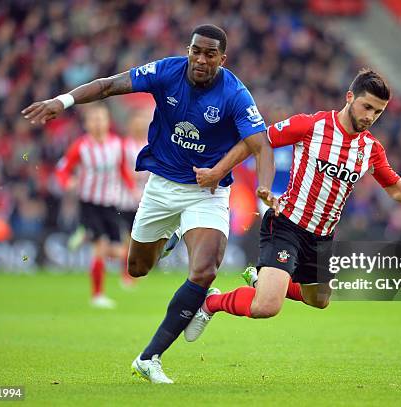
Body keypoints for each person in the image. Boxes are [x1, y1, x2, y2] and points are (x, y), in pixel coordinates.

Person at [22, 24, 275, 384]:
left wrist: (263, 190)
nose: (200, 59)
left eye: (209, 54)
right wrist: (62, 101)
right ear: (188, 50)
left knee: (204, 270)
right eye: (195, 50)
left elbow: (261, 144)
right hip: (161, 188)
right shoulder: (167, 72)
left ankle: (150, 356)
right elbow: (109, 85)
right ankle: (169, 239)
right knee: (138, 268)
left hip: (207, 192)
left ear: (223, 58)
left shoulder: (234, 92)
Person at [184, 69, 401, 342]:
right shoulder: (311, 126)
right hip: (286, 224)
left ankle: (265, 280)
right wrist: (219, 172)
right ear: (350, 97)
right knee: (266, 307)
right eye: (367, 107)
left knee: (319, 300)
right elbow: (259, 141)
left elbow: (394, 186)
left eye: (378, 112)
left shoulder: (371, 150)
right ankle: (212, 303)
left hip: (321, 237)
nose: (370, 117)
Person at [55, 103, 135, 309]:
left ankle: (84, 234)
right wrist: (67, 182)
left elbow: (123, 170)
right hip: (89, 203)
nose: (98, 123)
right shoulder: (81, 146)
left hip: (110, 204)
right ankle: (97, 295)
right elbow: (62, 169)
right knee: (100, 248)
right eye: (94, 120)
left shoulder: (118, 144)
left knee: (117, 252)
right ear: (87, 124)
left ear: (108, 122)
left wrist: (132, 188)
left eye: (102, 119)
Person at [115, 111, 151, 288]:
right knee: (128, 239)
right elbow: (120, 169)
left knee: (138, 238)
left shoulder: (150, 144)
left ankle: (134, 270)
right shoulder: (124, 146)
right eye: (136, 124)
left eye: (142, 124)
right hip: (126, 199)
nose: (139, 127)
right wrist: (130, 184)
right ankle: (127, 273)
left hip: (145, 198)